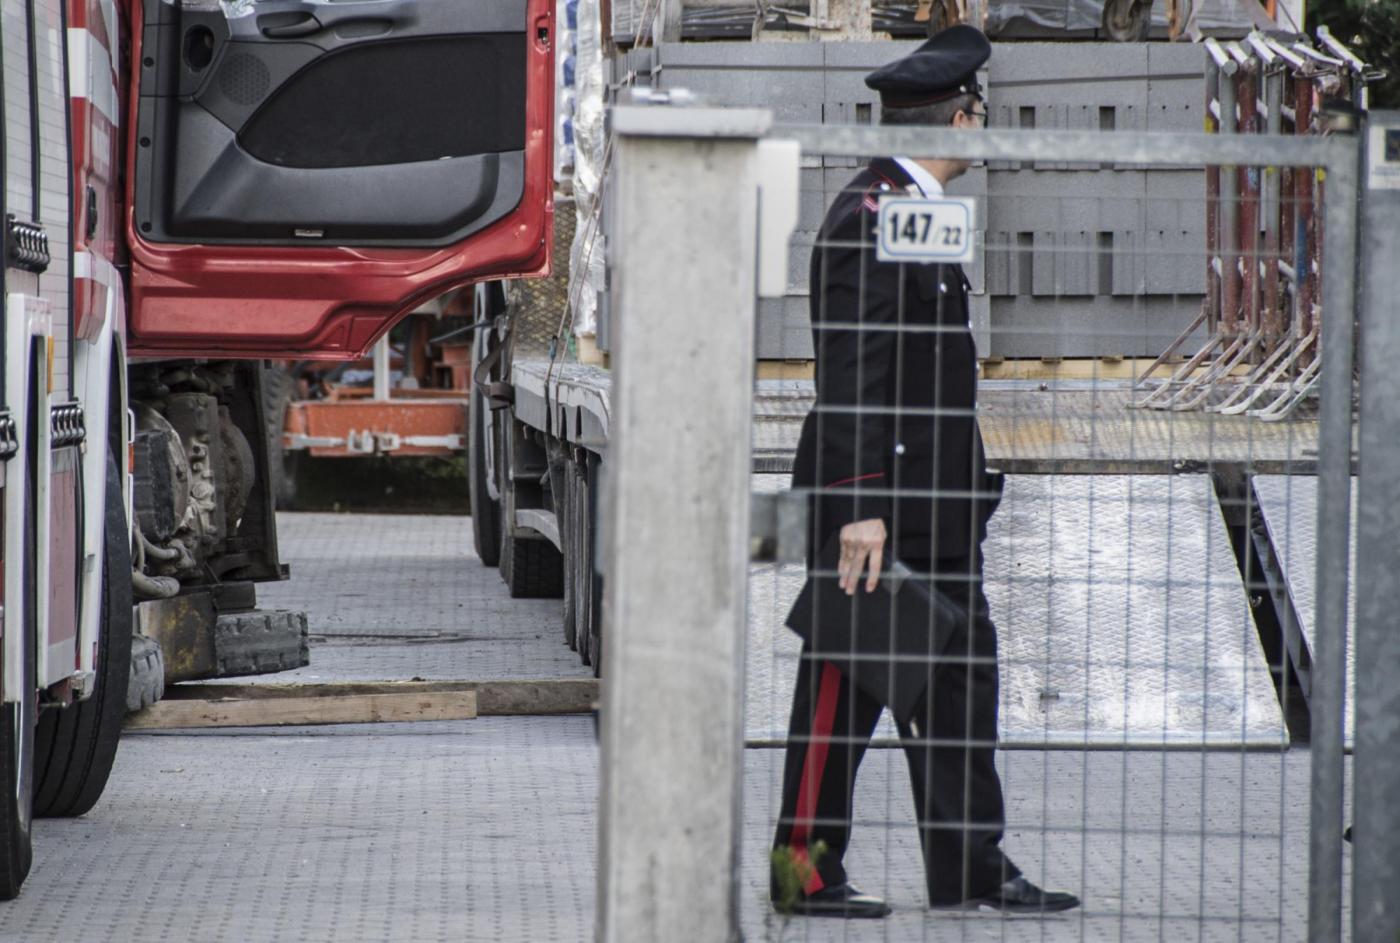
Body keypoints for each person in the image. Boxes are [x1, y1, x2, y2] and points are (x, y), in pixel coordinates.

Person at [771, 25, 1080, 919]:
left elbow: (933, 370)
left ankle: (971, 868)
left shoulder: (914, 214)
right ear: (958, 116)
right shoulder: (868, 214)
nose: (985, 127)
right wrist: (860, 508)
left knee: (959, 694)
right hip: (875, 512)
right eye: (980, 112)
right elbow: (855, 368)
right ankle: (803, 872)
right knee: (842, 692)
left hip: (937, 511)